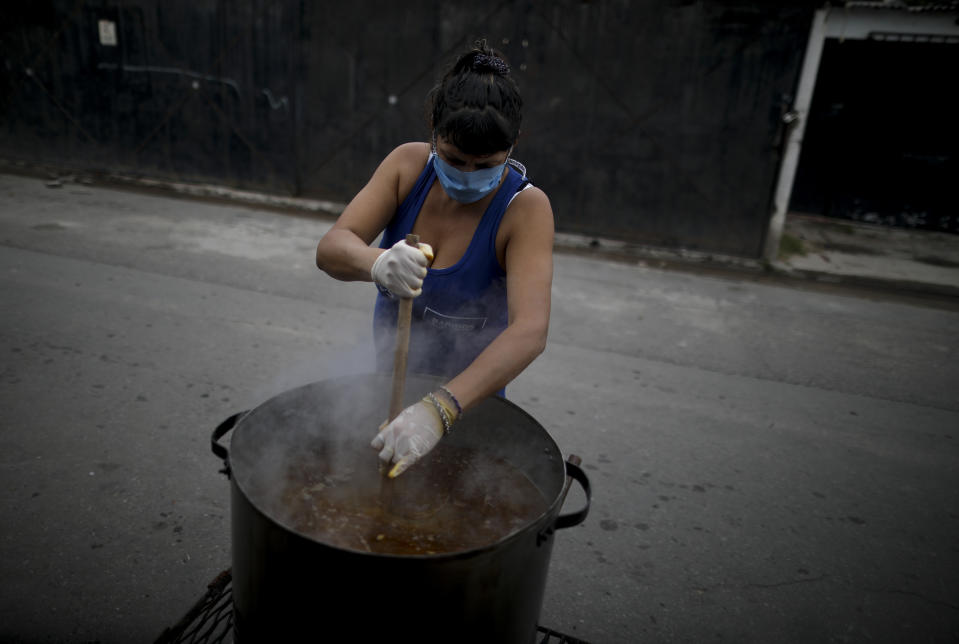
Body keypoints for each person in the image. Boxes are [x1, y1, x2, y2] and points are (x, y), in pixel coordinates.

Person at [315, 41, 554, 478]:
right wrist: (376, 262)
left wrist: (439, 409)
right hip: (387, 388)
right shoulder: (407, 167)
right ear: (432, 128)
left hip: (470, 404)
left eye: (486, 164)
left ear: (514, 144)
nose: (466, 176)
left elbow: (530, 331)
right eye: (453, 159)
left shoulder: (525, 209)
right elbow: (331, 248)